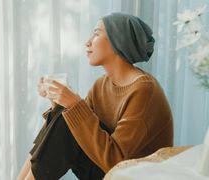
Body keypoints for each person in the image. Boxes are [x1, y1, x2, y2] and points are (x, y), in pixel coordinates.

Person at [17, 12, 173, 180]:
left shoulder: (143, 90)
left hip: (131, 175)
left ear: (117, 41)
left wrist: (73, 104)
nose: (88, 42)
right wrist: (57, 101)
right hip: (106, 169)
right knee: (64, 116)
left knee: (69, 115)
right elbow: (71, 130)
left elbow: (116, 160)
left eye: (97, 33)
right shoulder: (102, 84)